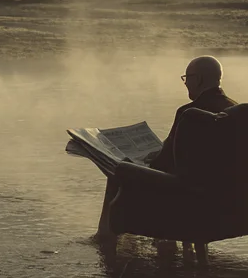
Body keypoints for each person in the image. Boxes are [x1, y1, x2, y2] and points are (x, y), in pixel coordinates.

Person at [93, 55, 238, 241]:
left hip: (189, 200)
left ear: (198, 79)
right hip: (226, 201)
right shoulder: (236, 110)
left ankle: (105, 238)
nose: (185, 84)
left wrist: (142, 160)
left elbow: (164, 163)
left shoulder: (191, 114)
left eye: (187, 78)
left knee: (119, 170)